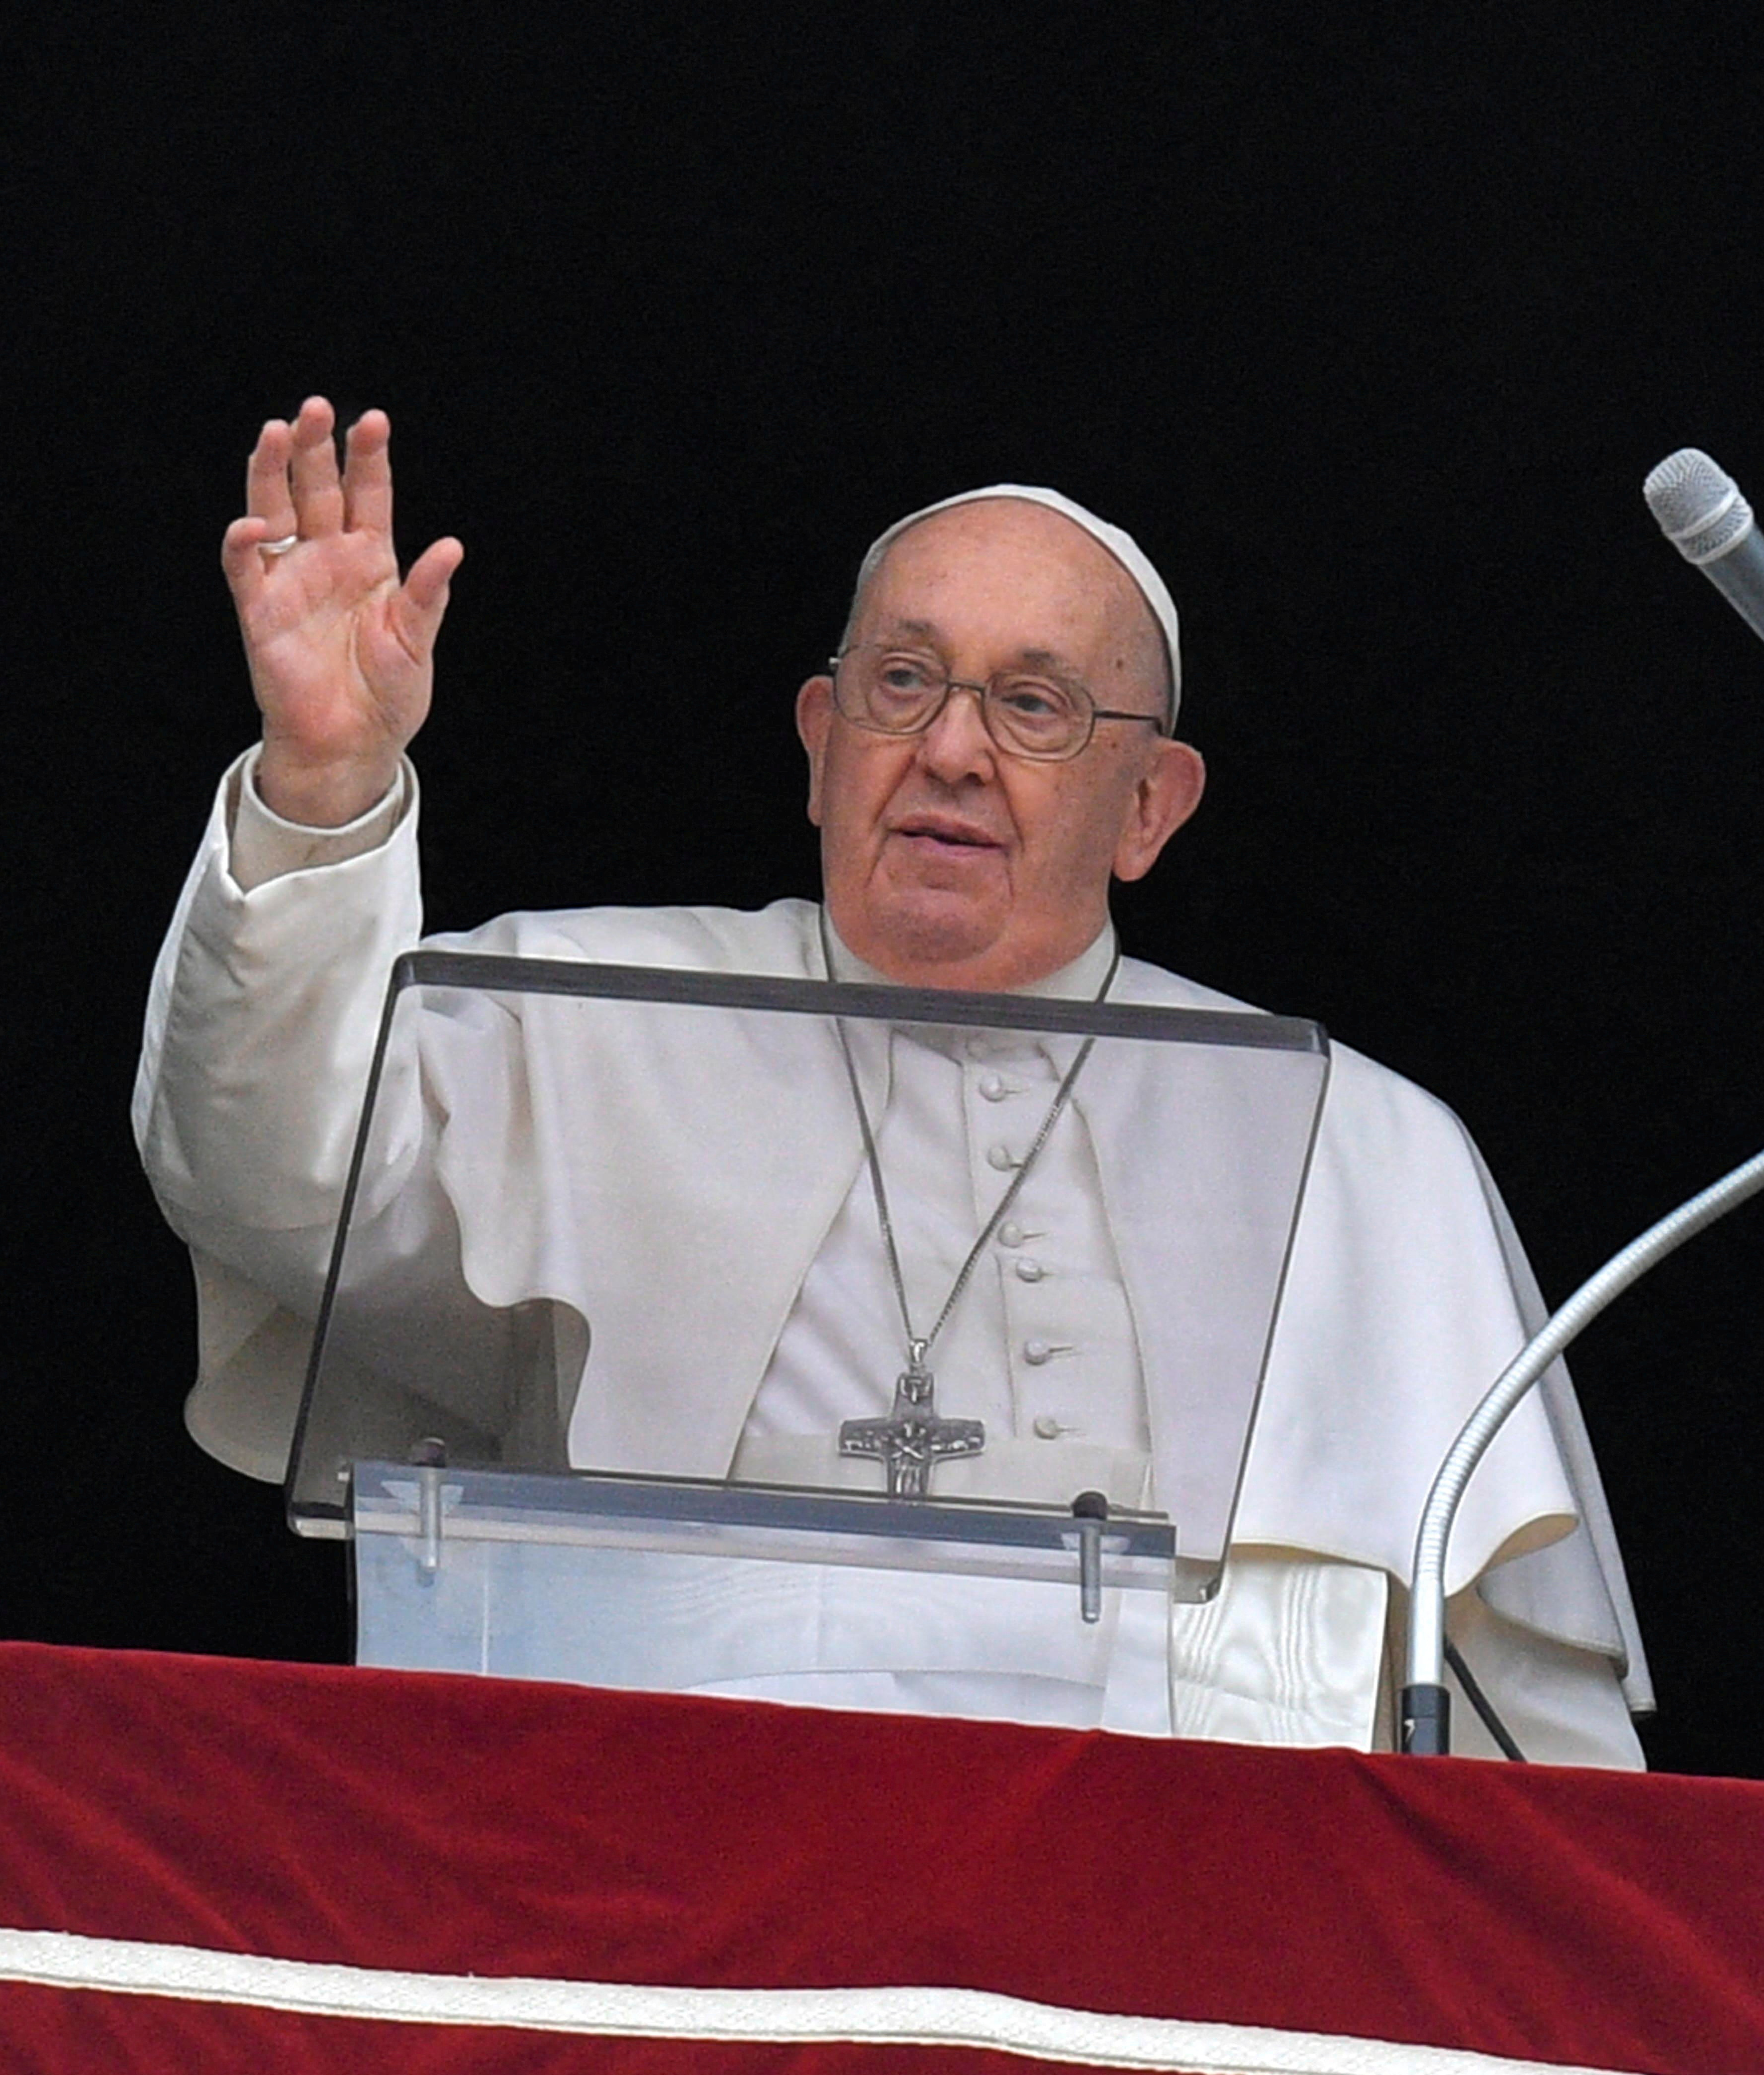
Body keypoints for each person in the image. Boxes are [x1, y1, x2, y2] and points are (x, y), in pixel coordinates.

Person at [135, 400, 1650, 1763]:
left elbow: (1527, 1723)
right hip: (665, 1866)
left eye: (1035, 707)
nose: (951, 750)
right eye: (904, 683)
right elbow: (271, 1177)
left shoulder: (1361, 1150)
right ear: (819, 743)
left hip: (1178, 1918)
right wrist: (323, 792)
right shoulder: (574, 1016)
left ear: (1149, 807)